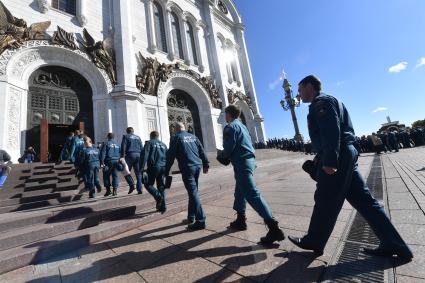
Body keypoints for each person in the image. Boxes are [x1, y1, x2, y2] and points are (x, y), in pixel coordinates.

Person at [288, 75, 413, 261]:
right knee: (365, 201)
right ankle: (394, 243)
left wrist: (329, 160)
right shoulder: (334, 100)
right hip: (346, 153)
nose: (298, 94)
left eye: (299, 89)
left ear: (310, 86)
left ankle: (314, 240)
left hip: (338, 156)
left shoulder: (321, 102)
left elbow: (331, 130)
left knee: (325, 198)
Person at [217, 105, 285, 245]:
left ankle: (273, 228)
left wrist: (221, 155)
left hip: (241, 162)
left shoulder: (230, 127)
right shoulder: (243, 127)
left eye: (225, 114)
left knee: (252, 194)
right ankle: (240, 220)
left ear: (228, 114)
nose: (225, 116)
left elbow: (229, 148)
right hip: (248, 161)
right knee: (240, 191)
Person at [165, 122, 209, 230]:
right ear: (184, 128)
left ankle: (201, 220)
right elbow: (201, 150)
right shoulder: (193, 137)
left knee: (193, 193)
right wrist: (206, 163)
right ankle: (191, 217)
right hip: (197, 166)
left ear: (176, 129)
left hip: (187, 167)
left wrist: (166, 170)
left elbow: (171, 155)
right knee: (193, 192)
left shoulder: (176, 138)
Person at [141, 131, 167, 213]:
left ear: (151, 136)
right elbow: (168, 156)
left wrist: (142, 168)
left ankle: (158, 196)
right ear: (158, 136)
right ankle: (163, 206)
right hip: (163, 167)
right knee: (161, 186)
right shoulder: (163, 144)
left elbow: (144, 155)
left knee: (148, 184)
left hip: (154, 167)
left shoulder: (149, 143)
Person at [120, 127, 143, 194]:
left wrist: (122, 156)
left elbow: (123, 146)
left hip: (130, 155)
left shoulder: (126, 136)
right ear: (133, 131)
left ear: (127, 131)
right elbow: (141, 147)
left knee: (125, 171)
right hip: (138, 155)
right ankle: (140, 189)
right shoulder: (138, 137)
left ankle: (131, 185)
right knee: (138, 173)